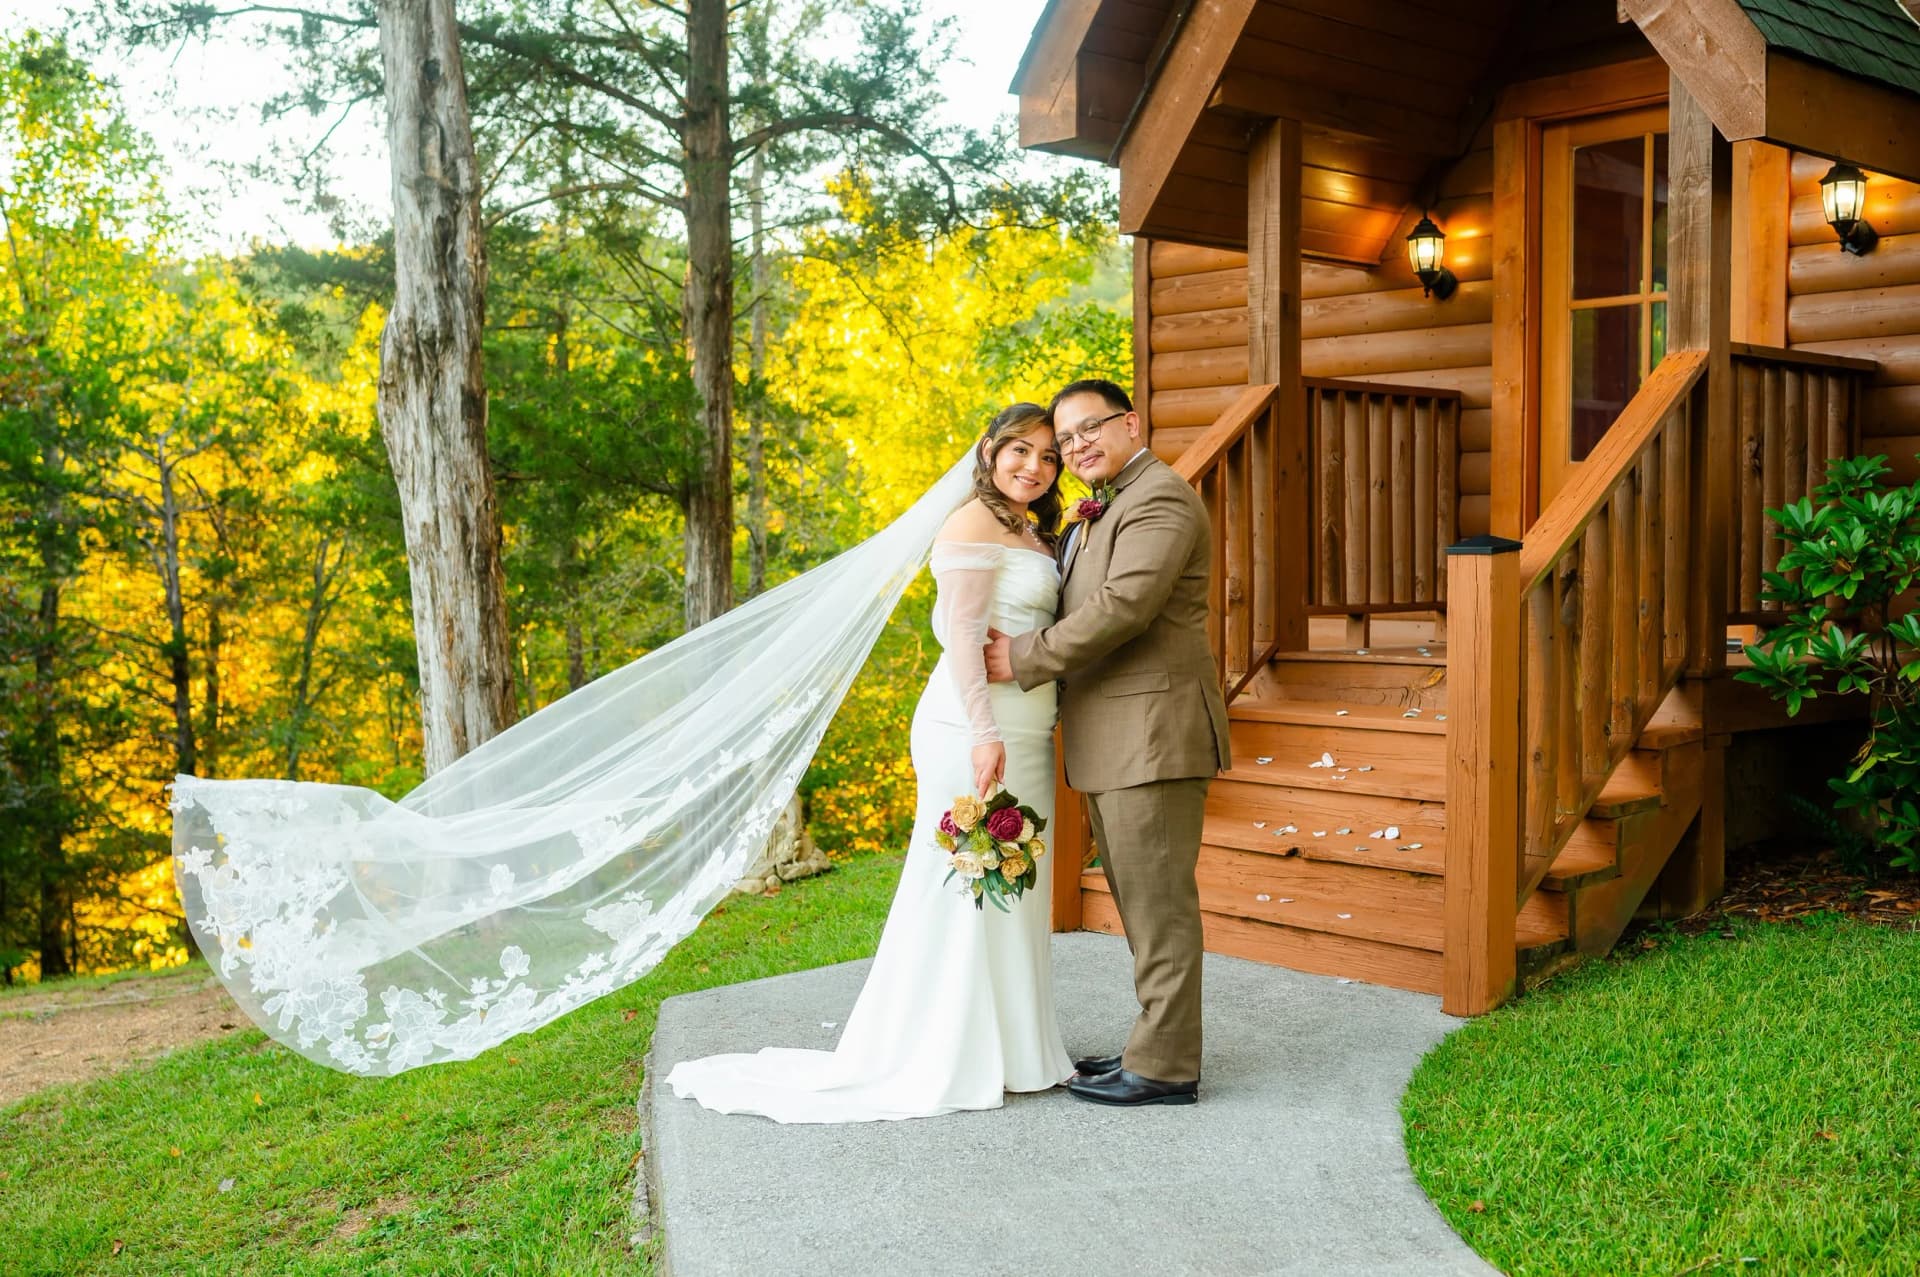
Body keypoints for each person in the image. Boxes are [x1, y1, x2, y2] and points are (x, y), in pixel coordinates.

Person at [664, 403, 1076, 1122]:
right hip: (973, 726)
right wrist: (984, 732)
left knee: (1015, 884)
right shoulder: (972, 523)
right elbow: (961, 636)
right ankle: (946, 1049)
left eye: (1047, 456)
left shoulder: (1031, 532)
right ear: (987, 449)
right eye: (1019, 450)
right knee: (969, 883)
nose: (1033, 467)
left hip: (1029, 726)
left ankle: (1017, 1048)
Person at [984, 378, 1230, 1108]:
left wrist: (1023, 657)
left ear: (1132, 423)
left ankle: (1164, 1067)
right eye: (1066, 441)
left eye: (1090, 428)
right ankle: (1148, 1044)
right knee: (1140, 900)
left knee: (1160, 909)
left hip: (1154, 732)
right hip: (1117, 737)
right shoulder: (1105, 505)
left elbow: (1123, 607)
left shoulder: (1158, 497)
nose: (1078, 446)